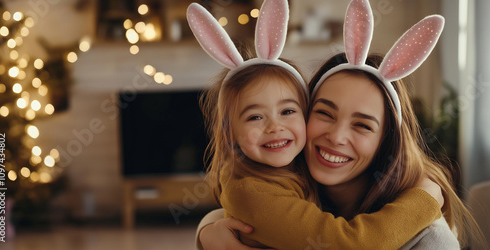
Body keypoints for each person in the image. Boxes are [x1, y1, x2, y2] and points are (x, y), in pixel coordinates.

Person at [196, 0, 487, 249]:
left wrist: (426, 198)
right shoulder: (285, 177)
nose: (336, 136)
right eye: (324, 113)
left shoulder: (428, 239)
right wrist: (207, 231)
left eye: (362, 125)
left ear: (387, 139)